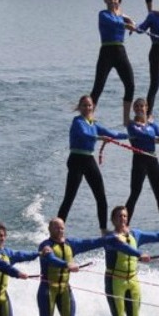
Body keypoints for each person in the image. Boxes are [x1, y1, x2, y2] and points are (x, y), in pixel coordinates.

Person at [33, 217, 110, 316]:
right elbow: (51, 259)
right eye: (57, 228)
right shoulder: (45, 246)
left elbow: (92, 243)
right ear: (50, 229)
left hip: (64, 289)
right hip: (47, 290)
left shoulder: (71, 244)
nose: (60, 230)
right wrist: (67, 265)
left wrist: (110, 239)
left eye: (62, 227)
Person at [56, 95, 128, 234]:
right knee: (69, 197)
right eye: (84, 105)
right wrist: (100, 137)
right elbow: (84, 135)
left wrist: (131, 135)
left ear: (93, 107)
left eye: (89, 105)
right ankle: (57, 229)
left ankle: (103, 230)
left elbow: (112, 133)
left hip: (89, 160)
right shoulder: (77, 122)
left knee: (101, 196)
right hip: (76, 159)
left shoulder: (94, 124)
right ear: (79, 107)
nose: (87, 108)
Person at [124, 97, 159, 229]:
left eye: (142, 106)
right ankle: (124, 226)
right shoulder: (131, 125)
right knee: (134, 194)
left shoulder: (152, 125)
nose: (140, 109)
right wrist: (158, 140)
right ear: (134, 109)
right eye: (137, 106)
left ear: (146, 108)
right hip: (139, 160)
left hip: (153, 160)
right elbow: (143, 136)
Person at [90, 0, 136, 126]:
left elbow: (130, 21)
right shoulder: (103, 14)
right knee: (99, 85)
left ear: (118, 1)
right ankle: (89, 116)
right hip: (106, 51)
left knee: (130, 85)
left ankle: (126, 119)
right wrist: (127, 23)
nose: (112, 1)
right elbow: (114, 22)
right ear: (105, 0)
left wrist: (132, 22)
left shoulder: (122, 16)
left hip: (120, 51)